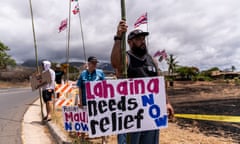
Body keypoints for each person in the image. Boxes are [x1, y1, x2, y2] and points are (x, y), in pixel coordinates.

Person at [111, 20, 174, 144]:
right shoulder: (127, 58)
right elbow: (115, 63)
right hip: (130, 116)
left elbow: (159, 84)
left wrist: (167, 102)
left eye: (143, 39)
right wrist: (118, 37)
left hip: (151, 114)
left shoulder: (152, 60)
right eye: (138, 39)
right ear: (129, 42)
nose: (142, 41)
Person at [76, 56, 106, 142]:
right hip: (86, 102)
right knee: (84, 120)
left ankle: (103, 139)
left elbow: (105, 87)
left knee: (101, 120)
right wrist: (80, 101)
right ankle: (82, 138)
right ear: (88, 64)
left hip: (98, 102)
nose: (95, 65)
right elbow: (80, 88)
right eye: (93, 63)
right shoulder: (83, 74)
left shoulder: (100, 73)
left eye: (96, 63)